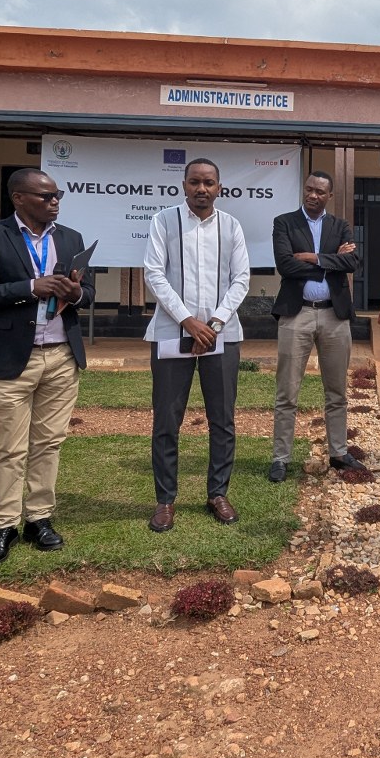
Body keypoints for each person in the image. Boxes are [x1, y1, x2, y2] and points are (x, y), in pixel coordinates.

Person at [0, 168, 94, 566]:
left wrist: (76, 292)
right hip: (13, 358)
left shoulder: (70, 238)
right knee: (8, 448)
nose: (54, 202)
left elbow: (88, 293)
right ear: (18, 198)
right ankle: (4, 525)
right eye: (46, 196)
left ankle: (39, 519)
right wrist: (30, 287)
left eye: (57, 196)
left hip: (61, 355)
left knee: (49, 443)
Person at [142, 158, 252, 530]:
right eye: (194, 182)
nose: (201, 188)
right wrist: (188, 321)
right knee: (166, 420)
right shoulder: (163, 221)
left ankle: (218, 493)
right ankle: (165, 500)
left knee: (222, 420)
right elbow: (154, 274)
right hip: (172, 333)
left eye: (208, 182)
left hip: (222, 336)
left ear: (219, 187)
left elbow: (241, 278)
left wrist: (214, 324)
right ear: (184, 185)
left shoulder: (232, 226)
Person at [269, 171, 363, 482]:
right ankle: (281, 458)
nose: (312, 195)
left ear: (329, 196)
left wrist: (312, 258)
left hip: (334, 316)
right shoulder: (285, 223)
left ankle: (338, 452)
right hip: (297, 315)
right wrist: (330, 262)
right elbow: (285, 265)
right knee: (287, 391)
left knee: (336, 391)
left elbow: (353, 262)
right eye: (309, 189)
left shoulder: (340, 226)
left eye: (320, 191)